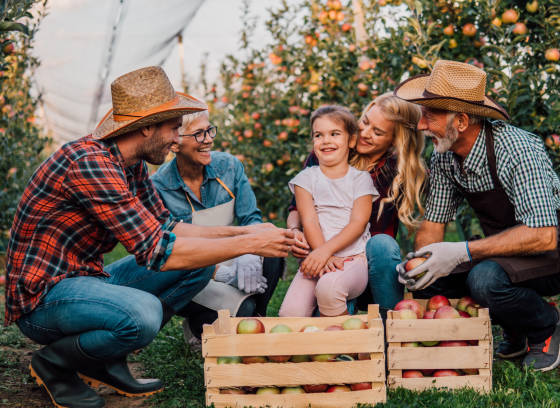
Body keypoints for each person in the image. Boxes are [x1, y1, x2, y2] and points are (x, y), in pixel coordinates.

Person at [4, 66, 294, 408]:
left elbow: (167, 226)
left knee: (197, 268)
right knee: (143, 315)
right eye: (174, 128)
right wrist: (249, 244)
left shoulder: (131, 163)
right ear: (146, 128)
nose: (177, 139)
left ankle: (105, 359)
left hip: (86, 279)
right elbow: (156, 250)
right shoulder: (90, 164)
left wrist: (246, 229)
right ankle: (54, 364)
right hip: (43, 297)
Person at [393, 59, 560, 372]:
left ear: (461, 121)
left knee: (484, 280)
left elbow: (542, 235)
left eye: (430, 115)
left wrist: (462, 251)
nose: (421, 125)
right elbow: (433, 224)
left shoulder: (518, 149)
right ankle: (515, 328)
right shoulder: (445, 158)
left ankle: (545, 326)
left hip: (557, 251)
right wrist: (420, 262)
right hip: (506, 251)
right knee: (429, 282)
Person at [150, 109, 284, 352]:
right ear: (175, 143)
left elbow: (250, 217)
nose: (209, 139)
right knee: (243, 311)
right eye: (199, 134)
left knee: (272, 248)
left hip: (231, 252)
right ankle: (201, 323)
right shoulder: (159, 188)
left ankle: (255, 319)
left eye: (209, 130)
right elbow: (171, 250)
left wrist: (250, 252)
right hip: (192, 271)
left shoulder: (229, 167)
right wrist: (220, 273)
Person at [287, 93, 426, 318]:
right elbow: (297, 209)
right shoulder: (330, 151)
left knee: (381, 244)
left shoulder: (396, 174)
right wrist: (295, 231)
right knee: (311, 313)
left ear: (395, 140)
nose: (364, 132)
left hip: (370, 268)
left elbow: (361, 226)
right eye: (365, 122)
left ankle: (388, 322)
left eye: (377, 132)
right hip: (326, 260)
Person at [278, 105, 379, 317]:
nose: (326, 141)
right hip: (317, 257)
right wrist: (322, 254)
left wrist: (325, 252)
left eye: (334, 134)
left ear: (351, 141)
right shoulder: (305, 179)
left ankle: (342, 345)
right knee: (290, 314)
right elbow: (310, 221)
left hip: (352, 260)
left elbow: (357, 224)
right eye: (318, 135)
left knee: (329, 289)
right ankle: (303, 346)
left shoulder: (360, 179)